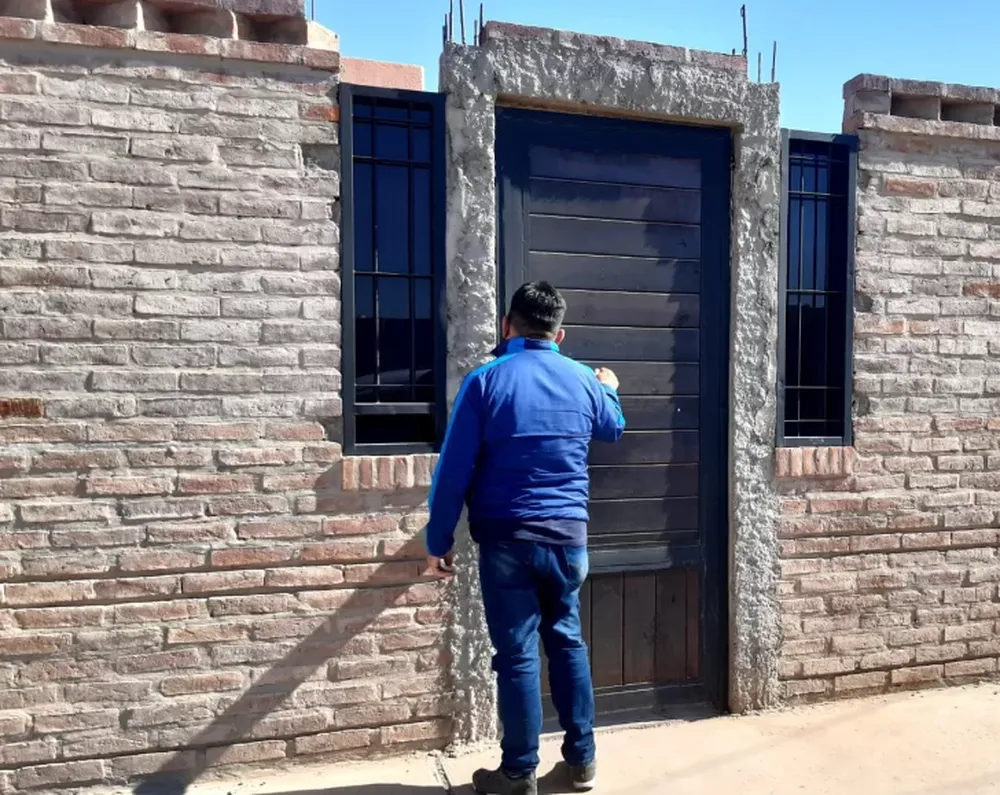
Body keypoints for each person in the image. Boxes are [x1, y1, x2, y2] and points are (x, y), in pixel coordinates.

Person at [424, 281, 626, 795]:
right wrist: (608, 387)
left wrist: (438, 540)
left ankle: (518, 772)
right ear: (560, 334)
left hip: (508, 538)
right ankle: (582, 761)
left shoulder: (485, 381)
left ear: (506, 326)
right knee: (567, 641)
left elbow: (453, 471)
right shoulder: (582, 379)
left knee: (516, 655)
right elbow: (612, 427)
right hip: (568, 540)